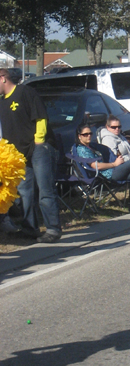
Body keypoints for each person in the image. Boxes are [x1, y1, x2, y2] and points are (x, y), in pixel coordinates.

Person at [0, 68, 62, 242]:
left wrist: (39, 140)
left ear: (3, 78)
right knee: (25, 192)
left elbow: (40, 116)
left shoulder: (25, 92)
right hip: (20, 155)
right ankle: (30, 228)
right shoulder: (2, 102)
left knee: (45, 189)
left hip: (38, 149)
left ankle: (53, 229)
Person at [75, 123, 130, 213]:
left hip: (110, 171)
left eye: (90, 133)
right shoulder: (82, 149)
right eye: (85, 134)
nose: (89, 136)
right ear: (79, 136)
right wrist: (114, 164)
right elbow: (95, 165)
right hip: (104, 175)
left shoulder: (91, 146)